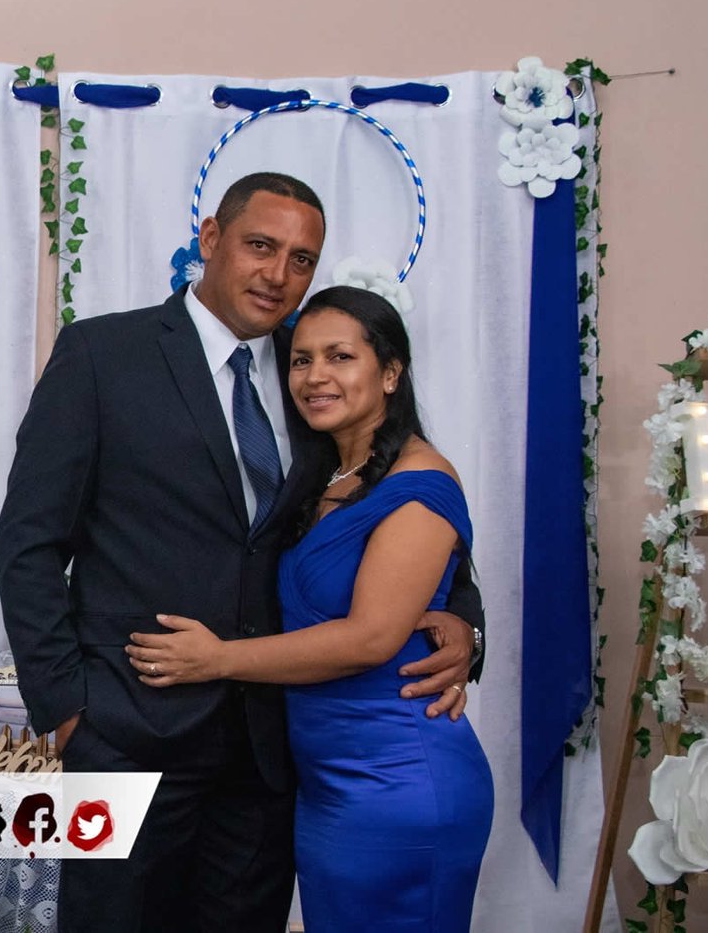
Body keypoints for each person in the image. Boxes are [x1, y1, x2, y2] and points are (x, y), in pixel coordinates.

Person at [0, 172, 485, 932]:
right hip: (126, 732)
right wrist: (67, 711)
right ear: (211, 239)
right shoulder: (103, 353)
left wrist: (462, 619)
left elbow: (395, 503)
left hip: (268, 753)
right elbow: (27, 540)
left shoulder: (312, 370)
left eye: (301, 259)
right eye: (261, 245)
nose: (278, 273)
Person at [124, 284, 494, 931]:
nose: (315, 375)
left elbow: (371, 637)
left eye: (340, 357)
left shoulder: (420, 480)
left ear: (390, 372)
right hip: (324, 785)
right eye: (301, 359)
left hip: (397, 778)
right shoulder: (315, 470)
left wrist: (217, 658)